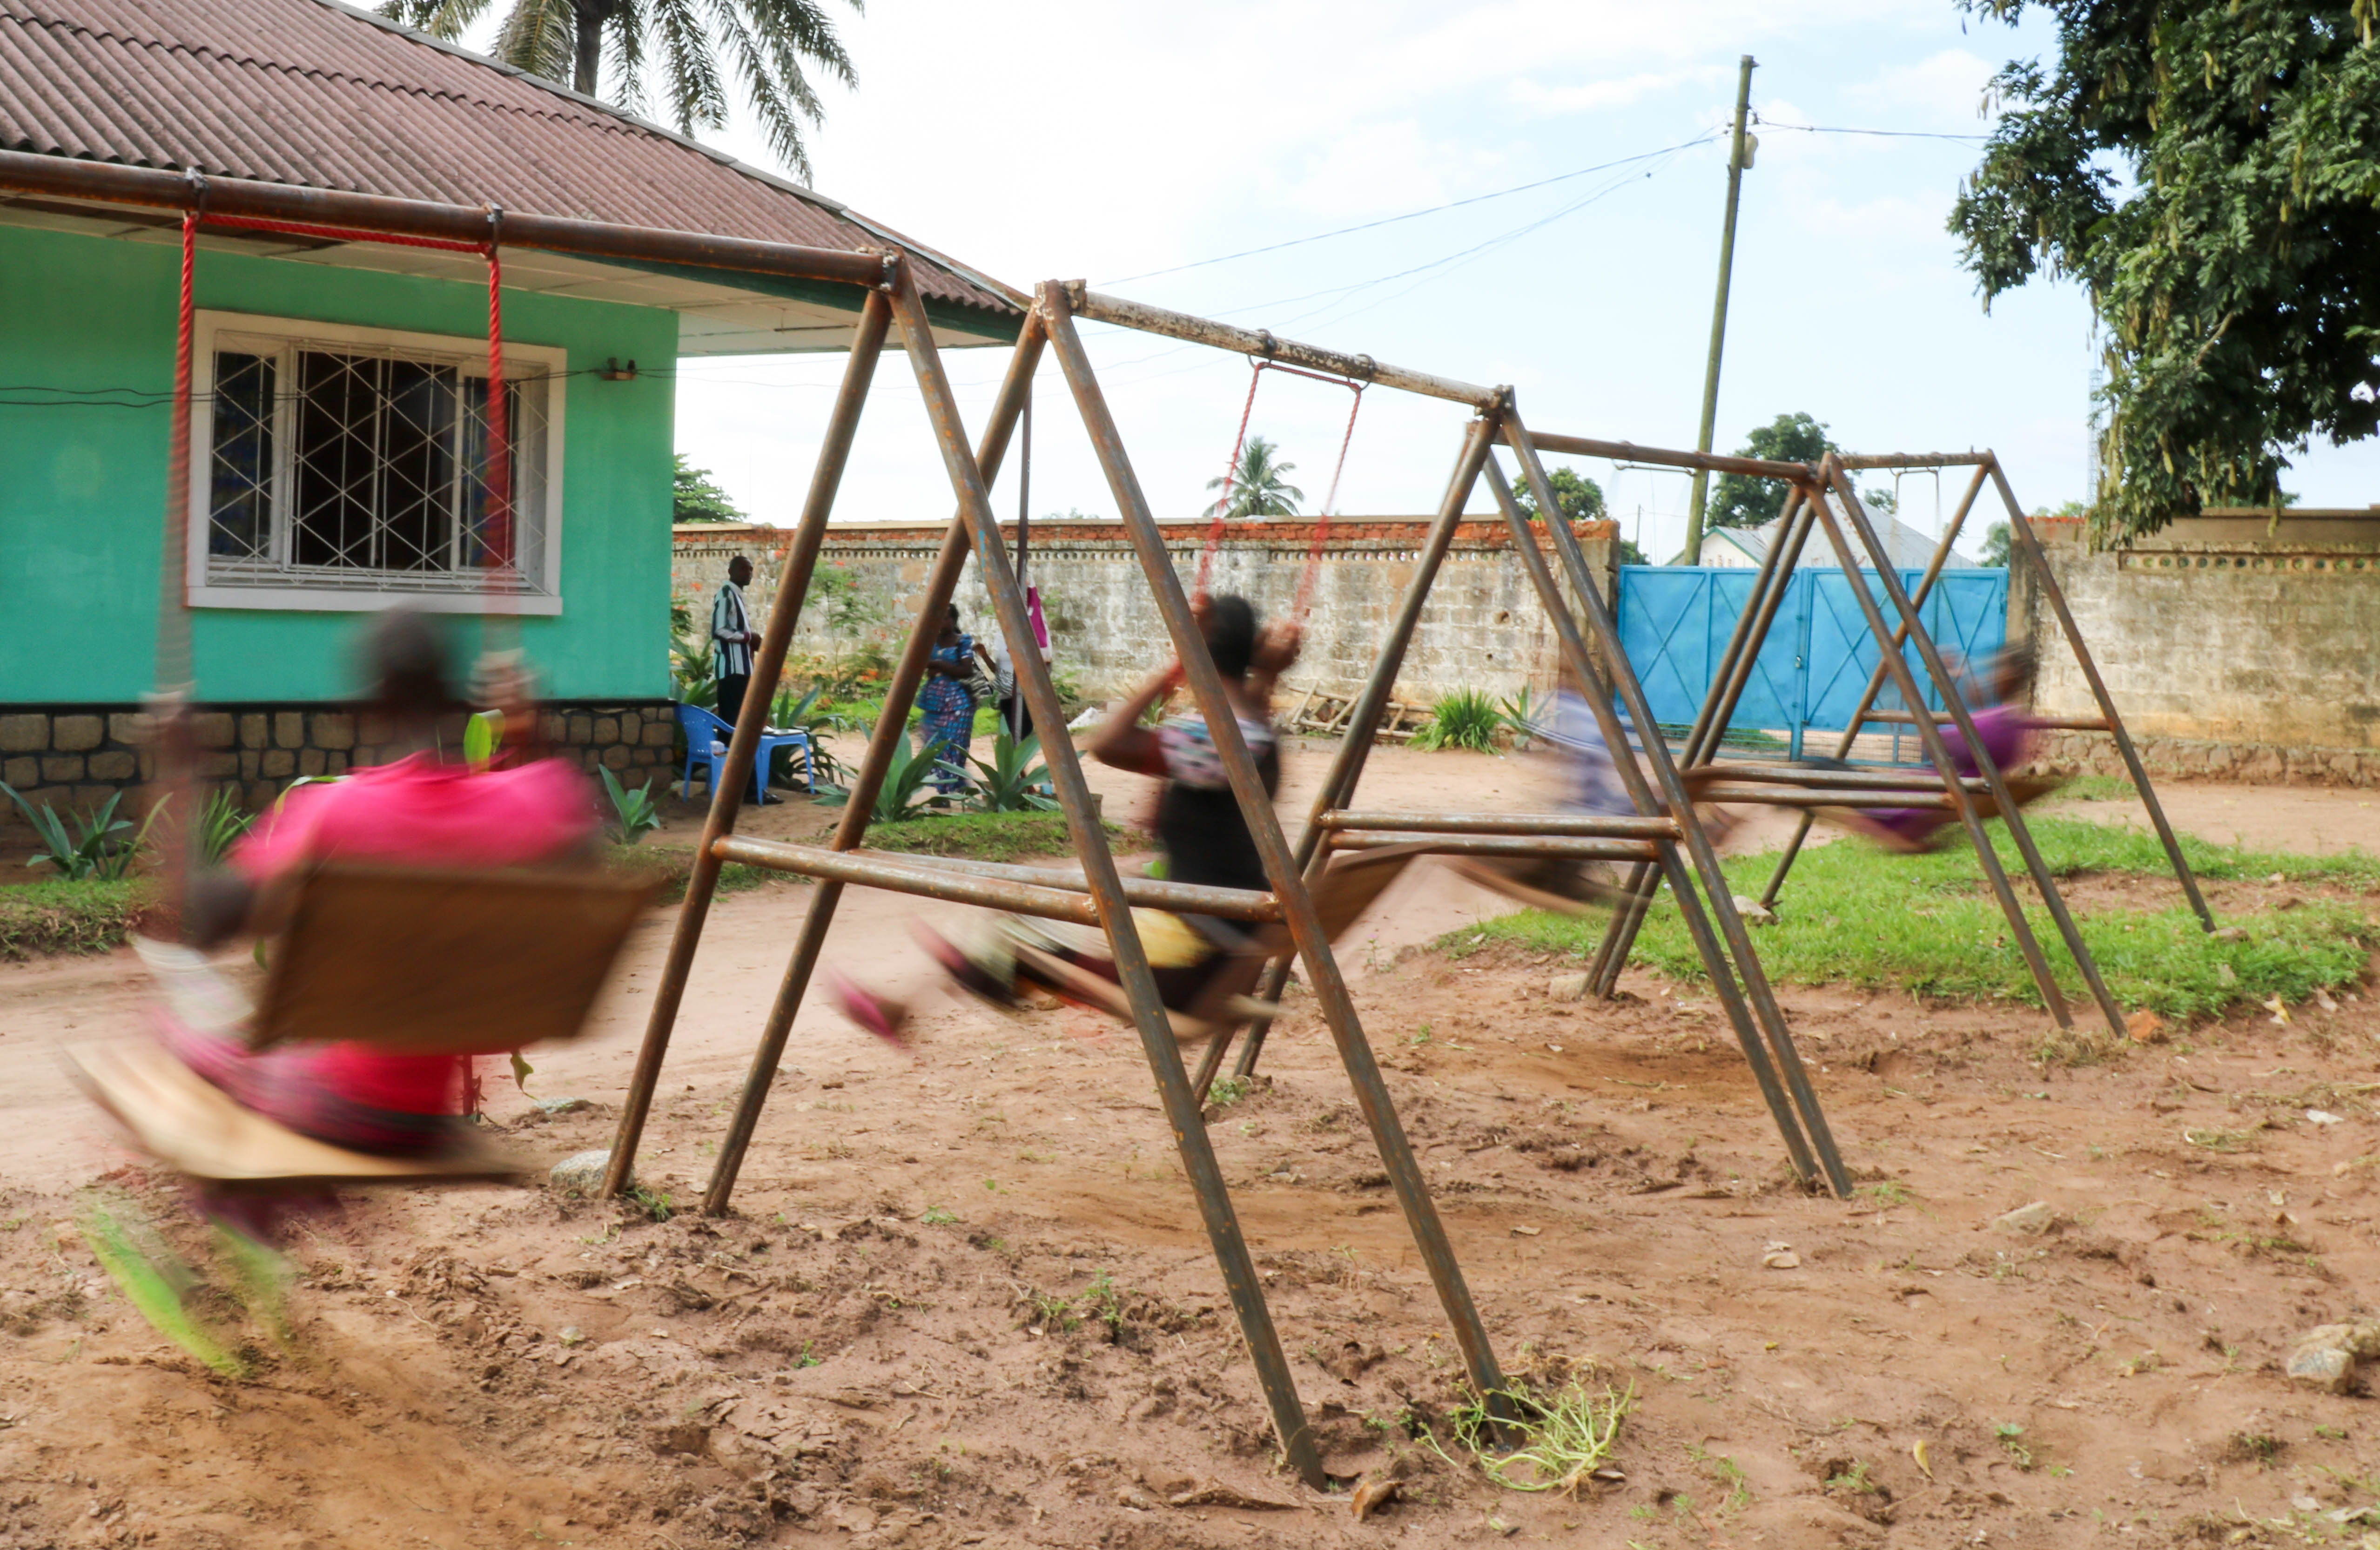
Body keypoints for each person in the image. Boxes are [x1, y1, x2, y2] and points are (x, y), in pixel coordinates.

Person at [828, 594, 1377, 1045]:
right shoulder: (1252, 726)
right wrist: (1266, 670)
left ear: (1197, 652)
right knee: (1042, 899)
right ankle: (913, 1002)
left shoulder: (1211, 737)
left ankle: (923, 1000)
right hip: (1215, 933)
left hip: (1188, 954)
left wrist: (1168, 673)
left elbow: (1106, 744)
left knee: (1014, 916)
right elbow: (1249, 701)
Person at [164, 609, 598, 1159]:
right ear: (453, 696)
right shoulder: (527, 801)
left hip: (340, 1105)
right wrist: (532, 732)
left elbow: (202, 922)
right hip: (424, 1116)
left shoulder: (336, 811)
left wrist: (181, 769)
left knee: (182, 1025)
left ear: (372, 704)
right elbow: (580, 846)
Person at [1822, 646, 2049, 853]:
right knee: (1833, 772)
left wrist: (1897, 684)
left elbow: (1930, 742)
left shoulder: (1995, 725)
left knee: (1820, 772)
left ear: (2010, 676)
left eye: (1996, 670)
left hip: (1910, 805)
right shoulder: (2011, 723)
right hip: (1930, 792)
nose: (1990, 676)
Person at [916, 605, 989, 796]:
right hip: (933, 702)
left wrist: (938, 665)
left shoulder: (962, 641)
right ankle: (947, 789)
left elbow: (966, 670)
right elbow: (917, 663)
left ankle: (947, 792)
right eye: (939, 619)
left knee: (953, 747)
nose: (942, 623)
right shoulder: (929, 641)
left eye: (946, 619)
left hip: (958, 704)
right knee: (932, 746)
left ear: (954, 620)